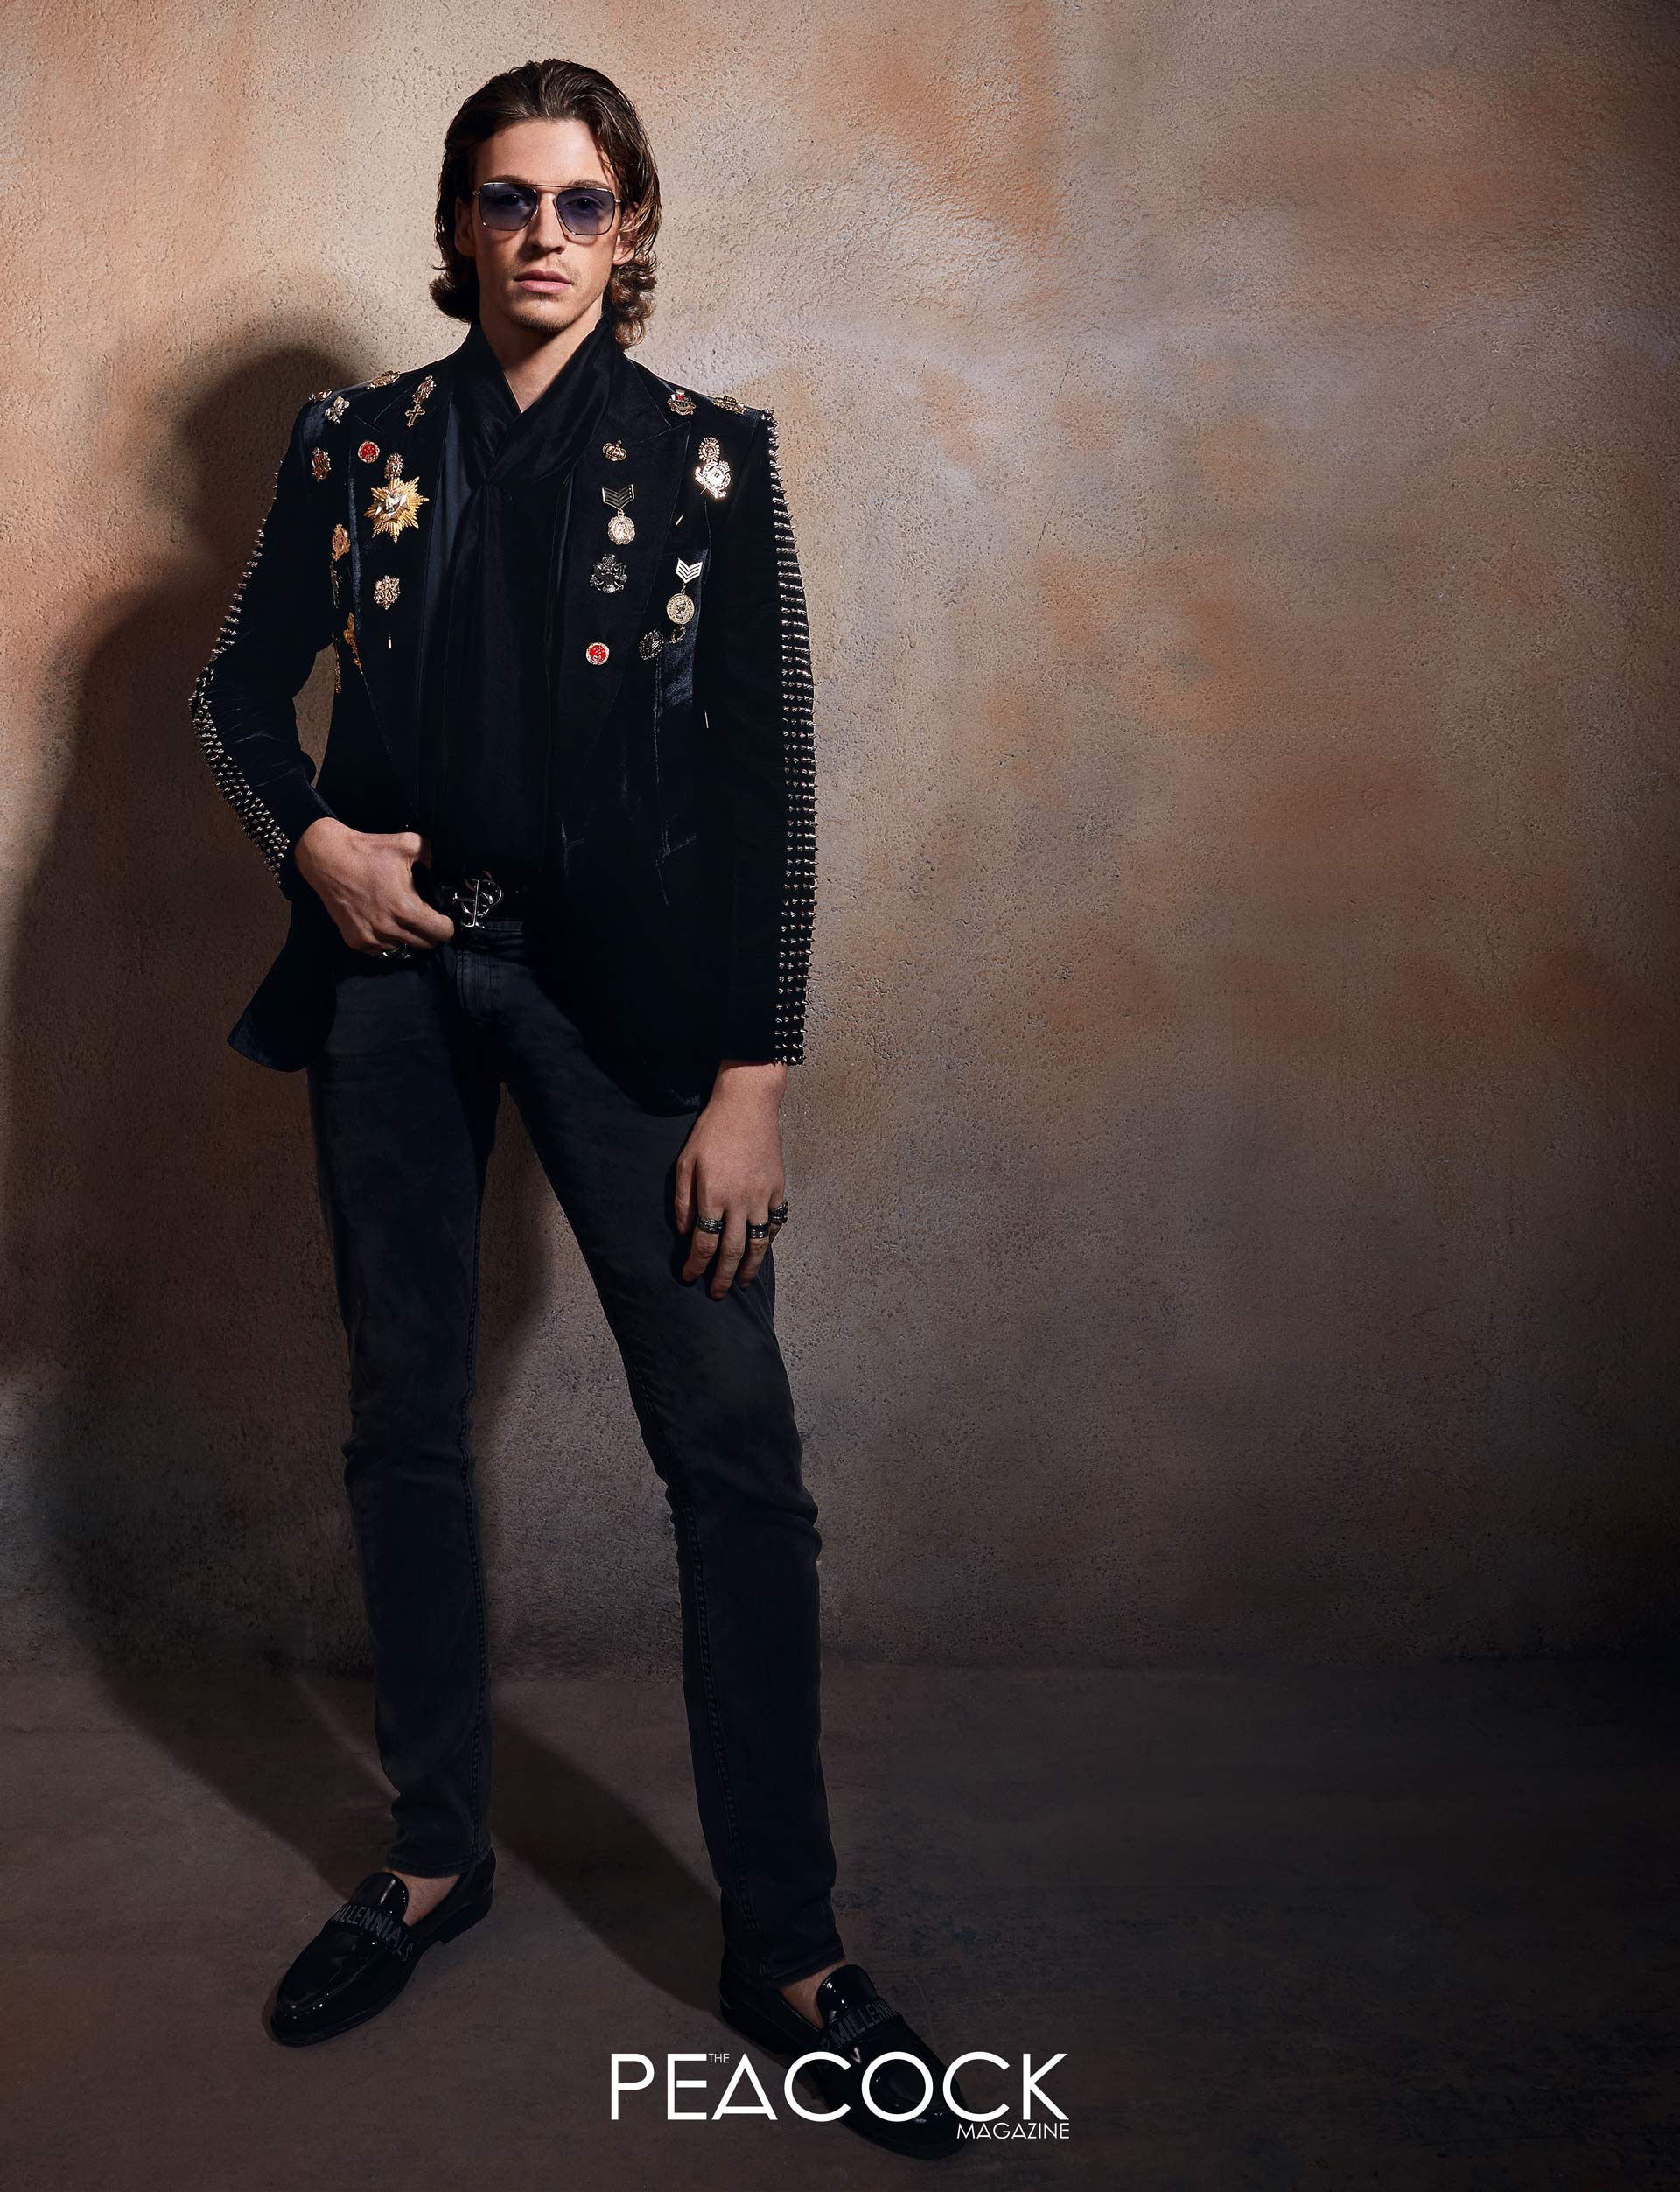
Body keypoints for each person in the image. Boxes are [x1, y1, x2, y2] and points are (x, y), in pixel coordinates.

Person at [188, 57, 965, 2158]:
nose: (544, 235)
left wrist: (752, 1079)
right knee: (401, 1415)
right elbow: (235, 690)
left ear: (631, 236)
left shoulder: (712, 463)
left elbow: (765, 785)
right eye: (509, 200)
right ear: (459, 228)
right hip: (392, 982)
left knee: (733, 1450)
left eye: (583, 202)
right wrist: (312, 846)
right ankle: (434, 1851)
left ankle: (786, 1948)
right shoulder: (352, 447)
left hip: (633, 1013)